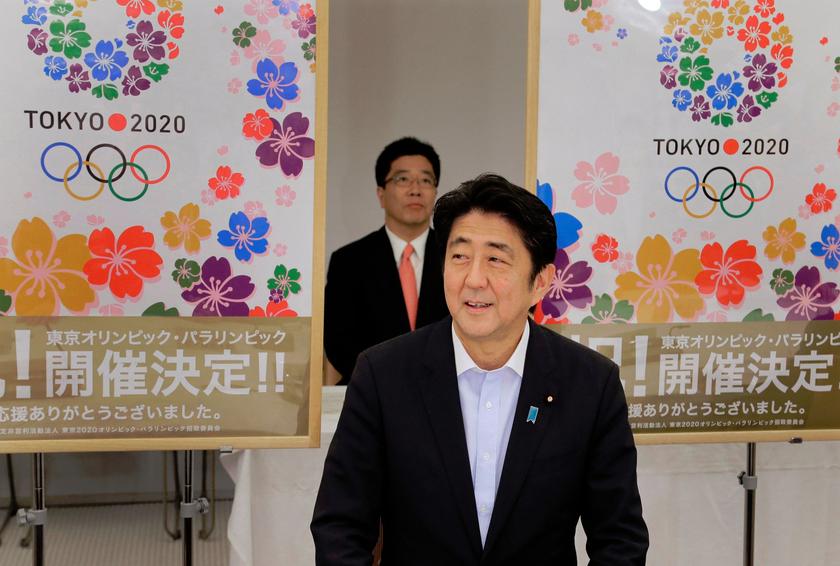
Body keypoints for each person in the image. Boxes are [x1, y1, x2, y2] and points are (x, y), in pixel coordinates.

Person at [311, 174, 649, 564]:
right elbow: (340, 527)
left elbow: (620, 539)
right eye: (460, 256)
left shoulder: (590, 383)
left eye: (495, 259)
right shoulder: (383, 374)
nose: (473, 279)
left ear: (540, 282)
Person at [324, 137, 449, 384]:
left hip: (445, 388)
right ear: (381, 194)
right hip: (371, 392)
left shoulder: (456, 256)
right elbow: (338, 343)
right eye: (403, 179)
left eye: (426, 180)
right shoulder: (348, 261)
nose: (416, 189)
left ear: (435, 192)